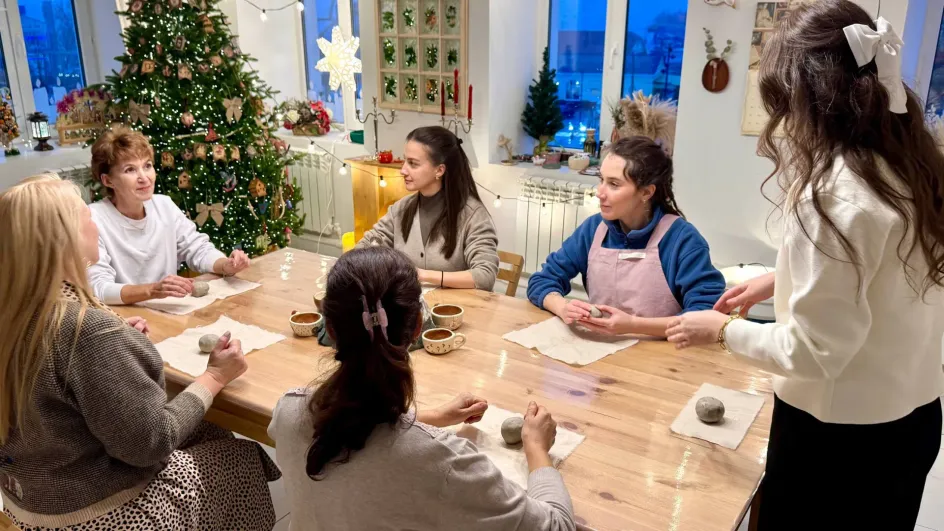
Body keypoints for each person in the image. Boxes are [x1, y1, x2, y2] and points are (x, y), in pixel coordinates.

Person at [665, 3, 944, 529]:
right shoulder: (910, 165)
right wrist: (781, 276)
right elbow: (884, 271)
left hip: (841, 439)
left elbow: (816, 354)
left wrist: (723, 331)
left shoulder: (835, 196)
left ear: (809, 98)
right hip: (914, 416)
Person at [0, 176, 280, 530]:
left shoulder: (16, 312)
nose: (92, 219)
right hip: (99, 513)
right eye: (82, 213)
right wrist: (215, 376)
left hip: (29, 501)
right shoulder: (86, 330)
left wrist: (115, 351)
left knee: (212, 432)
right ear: (62, 236)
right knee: (238, 458)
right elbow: (150, 444)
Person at [268, 247, 576, 530]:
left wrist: (429, 417)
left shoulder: (289, 411)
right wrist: (536, 448)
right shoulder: (440, 461)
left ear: (330, 330)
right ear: (418, 326)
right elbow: (555, 526)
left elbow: (361, 427)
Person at [527, 136, 725, 338]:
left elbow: (706, 316)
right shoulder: (593, 229)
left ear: (646, 192)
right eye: (601, 180)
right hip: (603, 352)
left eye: (614, 184)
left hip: (664, 357)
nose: (599, 193)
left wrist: (633, 325)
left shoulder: (682, 240)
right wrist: (563, 307)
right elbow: (542, 281)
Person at [87, 126, 250, 305]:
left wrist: (225, 265)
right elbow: (98, 288)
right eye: (130, 170)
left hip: (168, 312)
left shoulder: (164, 205)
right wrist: (153, 290)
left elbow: (197, 248)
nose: (144, 177)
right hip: (126, 320)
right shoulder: (93, 219)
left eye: (147, 166)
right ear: (108, 180)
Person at [357, 126, 499, 290]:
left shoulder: (473, 215)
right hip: (411, 310)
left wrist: (422, 275)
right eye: (404, 161)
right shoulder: (401, 209)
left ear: (439, 170)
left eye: (413, 164)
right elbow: (365, 247)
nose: (403, 170)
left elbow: (485, 276)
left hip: (454, 312)